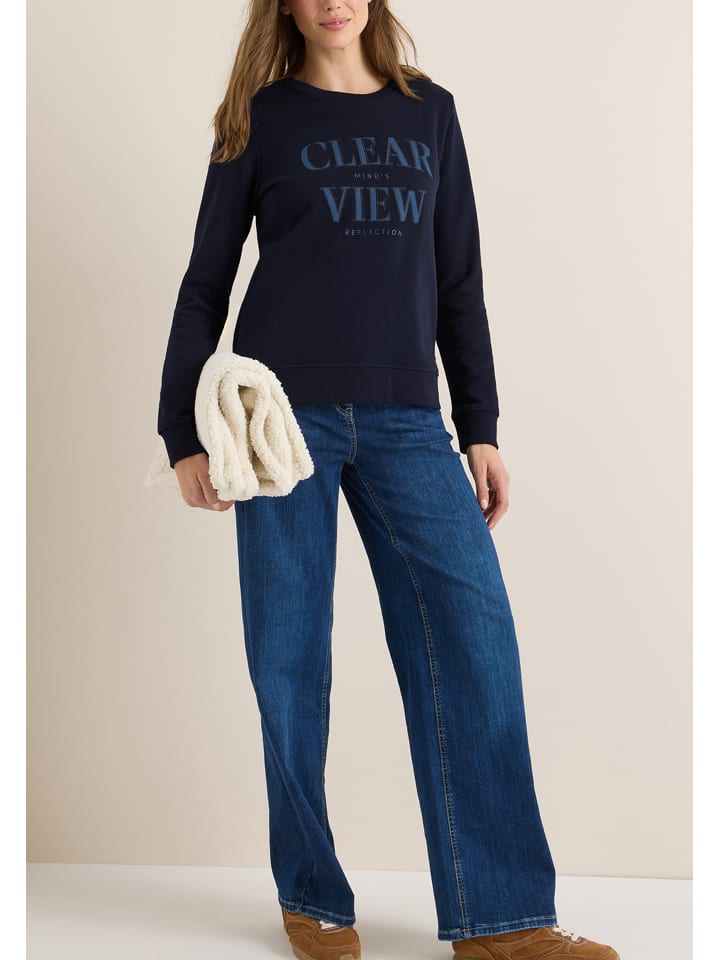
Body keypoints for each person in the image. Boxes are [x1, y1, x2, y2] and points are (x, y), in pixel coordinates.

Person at [154, 2, 620, 959]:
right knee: (289, 658)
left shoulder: (429, 112)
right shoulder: (258, 117)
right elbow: (205, 282)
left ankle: (501, 919)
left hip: (409, 420)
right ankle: (312, 896)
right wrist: (182, 433)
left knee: (474, 639)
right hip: (281, 419)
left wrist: (480, 425)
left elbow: (459, 280)